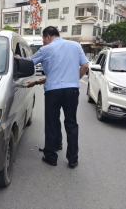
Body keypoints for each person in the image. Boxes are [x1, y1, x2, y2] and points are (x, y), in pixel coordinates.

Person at [18, 26, 89, 168]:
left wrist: (17, 58)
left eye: (43, 39)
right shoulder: (75, 45)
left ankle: (51, 157)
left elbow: (28, 63)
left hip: (53, 92)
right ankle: (72, 158)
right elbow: (85, 65)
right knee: (71, 123)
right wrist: (75, 79)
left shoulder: (46, 49)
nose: (44, 43)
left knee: (52, 122)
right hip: (72, 91)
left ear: (48, 36)